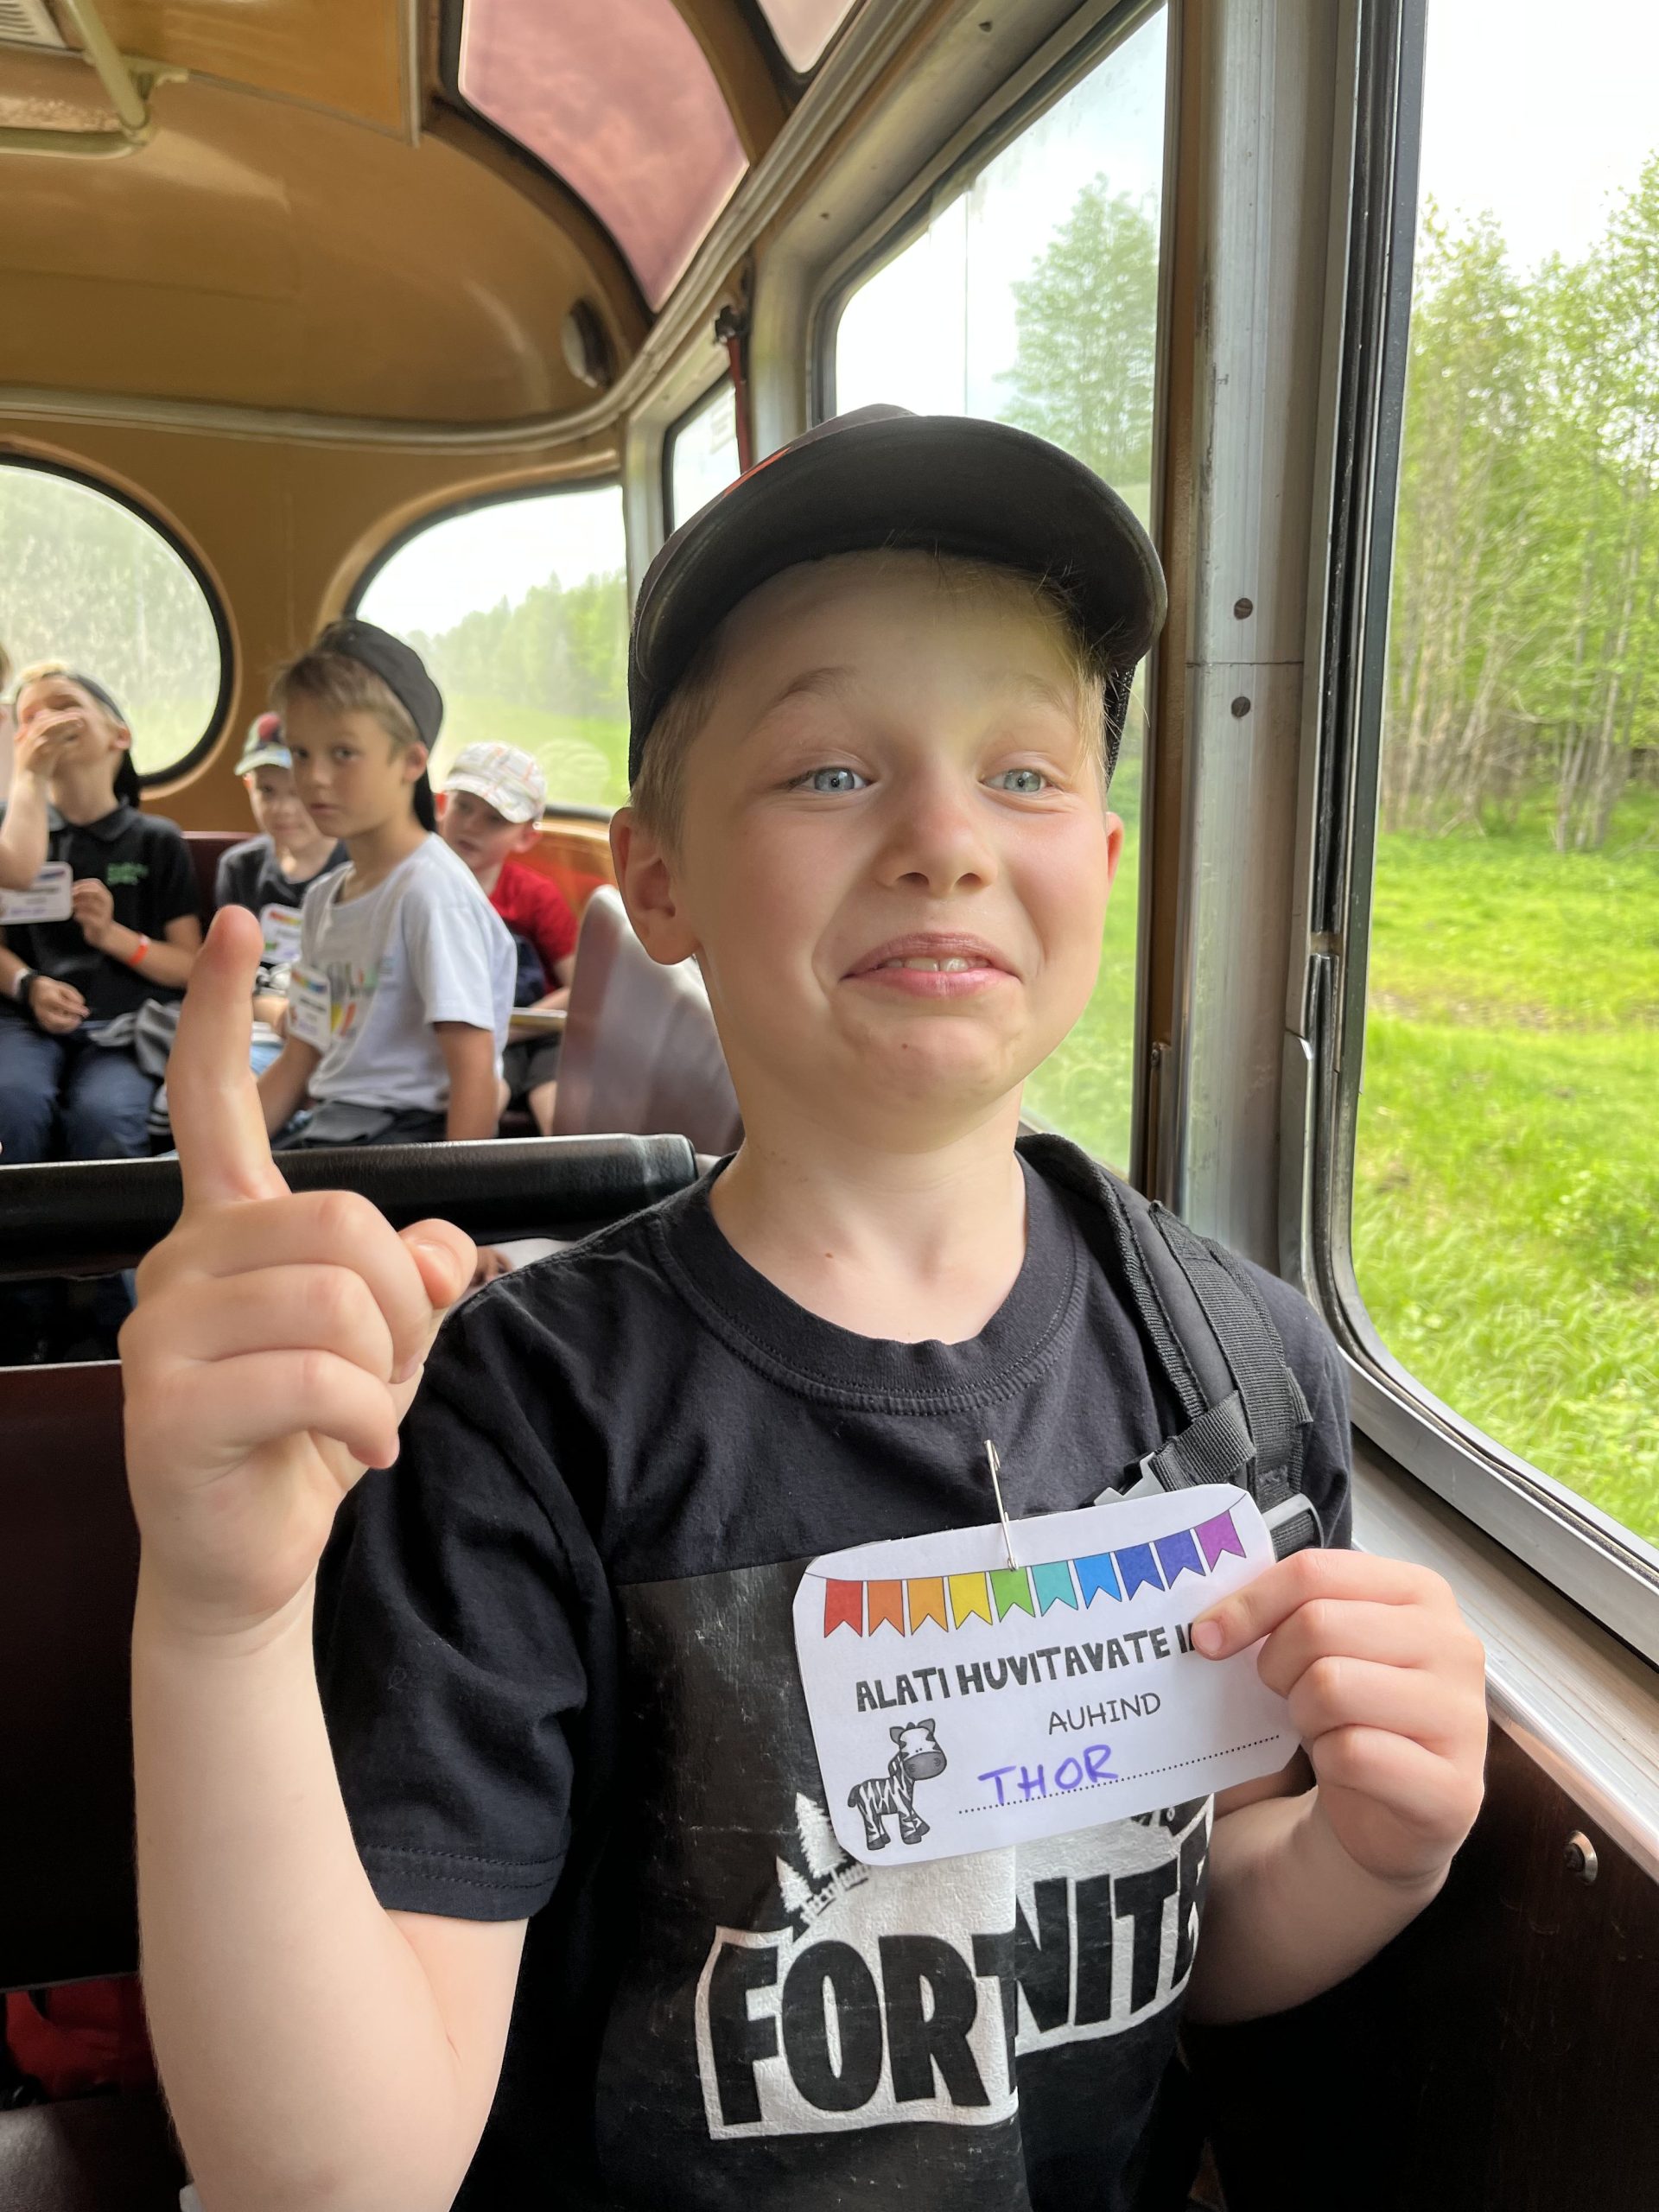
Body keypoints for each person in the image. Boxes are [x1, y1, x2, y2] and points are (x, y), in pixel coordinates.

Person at [119, 410, 1488, 2212]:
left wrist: (1373, 1854)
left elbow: (1184, 1917)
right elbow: (339, 2177)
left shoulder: (1237, 1368)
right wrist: (219, 1617)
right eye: (832, 770)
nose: (944, 839)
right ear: (658, 878)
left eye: (1023, 770)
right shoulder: (525, 1421)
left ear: (1103, 857)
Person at [251, 618, 514, 1150]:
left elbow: (473, 1073)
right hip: (335, 1127)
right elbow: (300, 1056)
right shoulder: (323, 899)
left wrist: (459, 1199)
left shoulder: (429, 894)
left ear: (411, 762)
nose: (314, 777)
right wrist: (216, 1154)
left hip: (403, 1143)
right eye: (301, 753)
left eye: (343, 753)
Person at [0, 667, 201, 1167]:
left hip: (125, 1024)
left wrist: (113, 936)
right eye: (29, 717)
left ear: (119, 735)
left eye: (64, 705)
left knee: (105, 1117)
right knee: (13, 1103)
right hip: (23, 1019)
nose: (45, 721)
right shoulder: (12, 836)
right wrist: (29, 984)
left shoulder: (157, 840)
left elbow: (189, 967)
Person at [438, 741, 576, 1135]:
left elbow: (581, 985)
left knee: (555, 1109)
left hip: (540, 1030)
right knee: (479, 1096)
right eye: (464, 807)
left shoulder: (534, 896)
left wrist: (507, 1029)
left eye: (495, 820)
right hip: (470, 1038)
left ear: (525, 837)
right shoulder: (424, 890)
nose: (471, 826)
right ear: (443, 805)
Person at [213, 713, 346, 1076]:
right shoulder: (239, 869)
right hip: (259, 1029)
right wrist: (278, 1013)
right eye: (267, 791)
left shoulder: (356, 868)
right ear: (249, 787)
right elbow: (231, 979)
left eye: (297, 792)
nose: (283, 809)